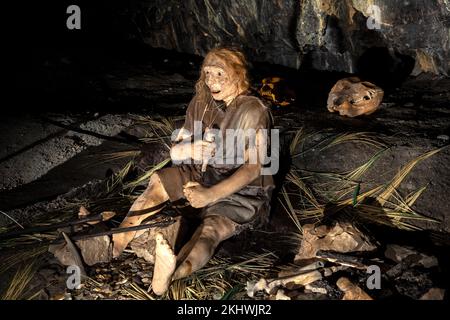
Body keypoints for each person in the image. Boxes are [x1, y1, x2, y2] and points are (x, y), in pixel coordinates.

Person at [112, 47, 275, 296]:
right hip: (201, 173)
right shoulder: (201, 100)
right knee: (158, 182)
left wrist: (210, 196)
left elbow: (256, 167)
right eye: (207, 73)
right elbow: (180, 145)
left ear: (238, 74)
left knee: (211, 231)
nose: (211, 81)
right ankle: (116, 244)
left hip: (241, 188)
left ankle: (170, 274)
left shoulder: (254, 111)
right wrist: (188, 148)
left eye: (219, 73)